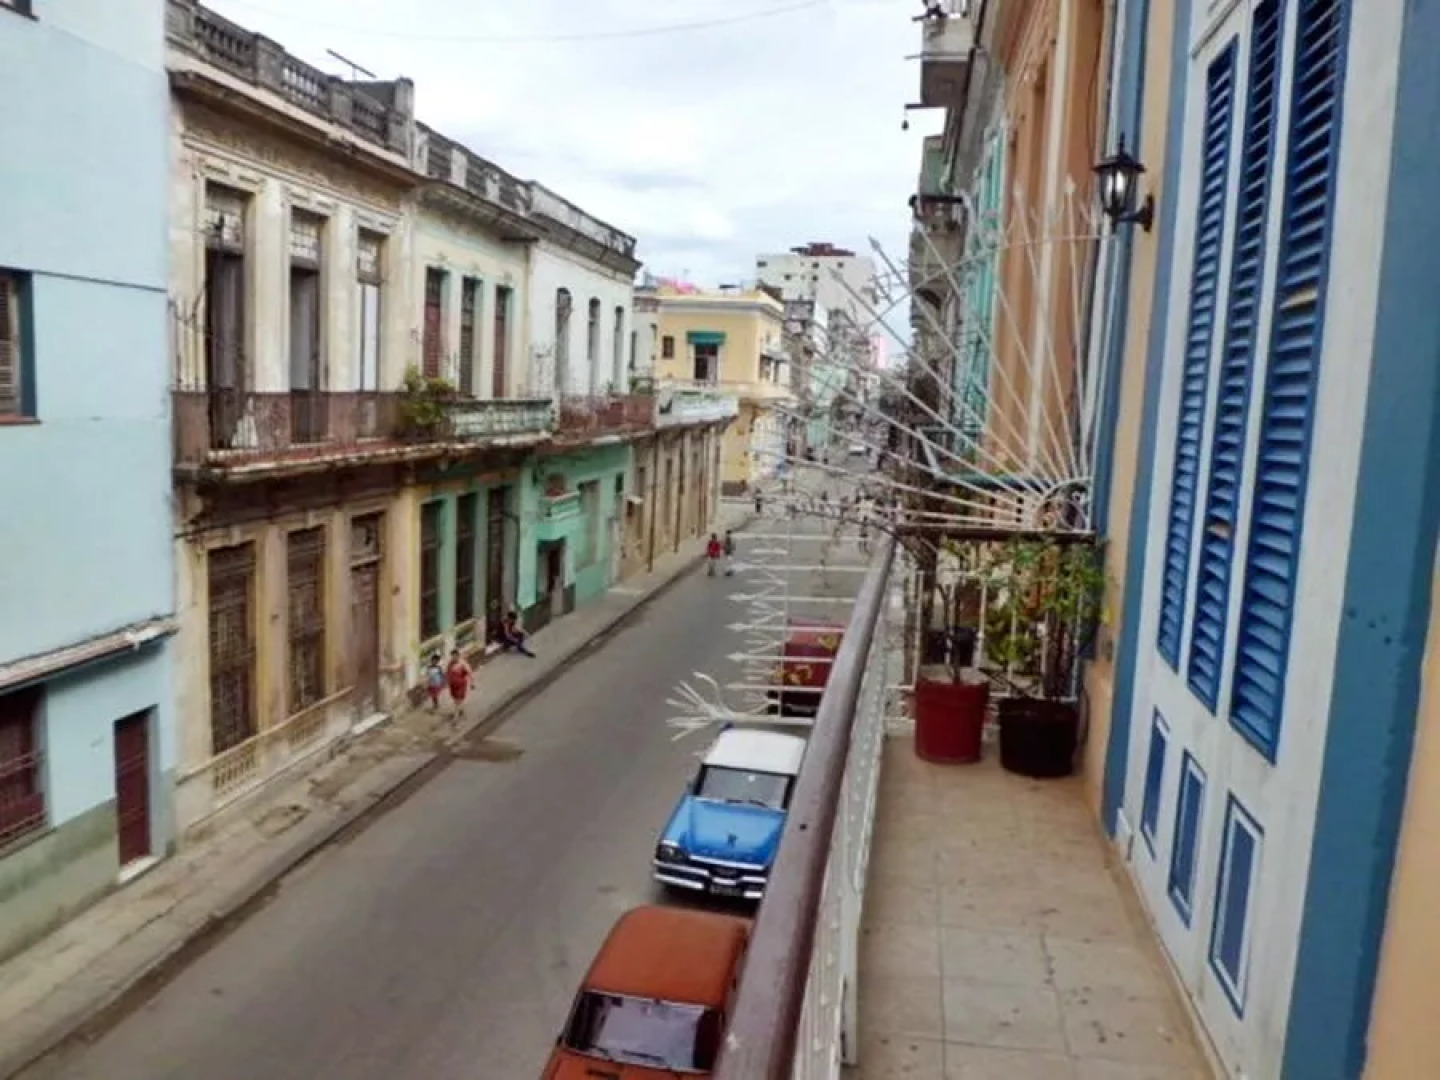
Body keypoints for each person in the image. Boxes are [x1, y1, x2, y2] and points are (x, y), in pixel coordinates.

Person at [445, 648, 473, 718]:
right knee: (456, 699)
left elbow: (469, 672)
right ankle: (461, 710)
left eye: (455, 656)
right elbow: (447, 673)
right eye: (452, 656)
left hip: (461, 685)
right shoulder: (450, 664)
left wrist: (472, 683)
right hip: (453, 685)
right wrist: (447, 681)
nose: (453, 658)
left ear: (458, 655)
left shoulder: (462, 664)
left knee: (457, 701)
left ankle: (455, 717)